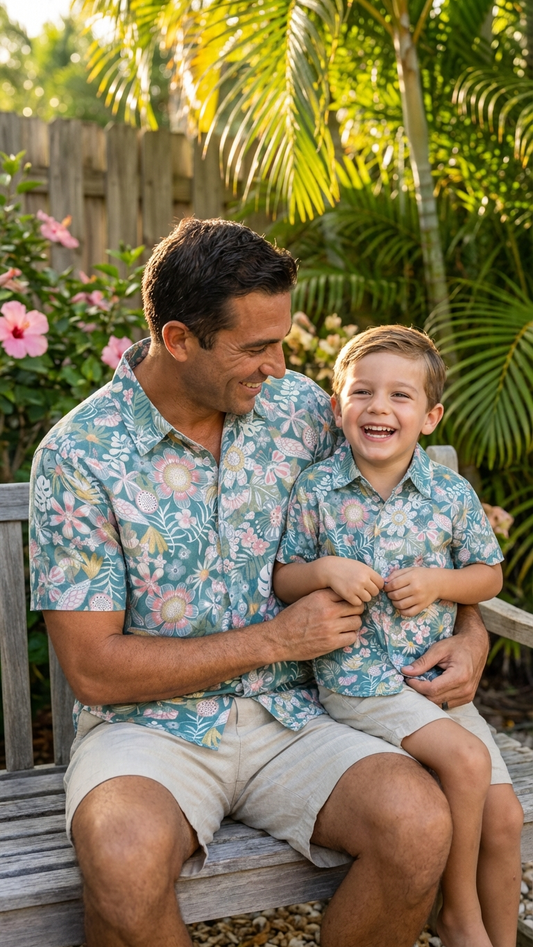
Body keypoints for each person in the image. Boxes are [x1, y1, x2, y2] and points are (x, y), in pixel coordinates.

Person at [30, 219, 494, 947]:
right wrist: (275, 639)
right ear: (178, 339)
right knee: (121, 860)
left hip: (304, 713)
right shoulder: (80, 455)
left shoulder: (299, 409)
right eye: (255, 348)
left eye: (281, 341)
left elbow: (417, 517)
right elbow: (94, 668)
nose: (277, 366)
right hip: (148, 729)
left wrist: (471, 631)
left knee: (417, 824)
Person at [273, 325, 523, 947]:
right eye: (362, 392)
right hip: (362, 685)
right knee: (467, 761)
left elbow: (488, 575)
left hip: (437, 687)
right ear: (338, 407)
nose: (378, 407)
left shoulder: (450, 495)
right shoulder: (317, 490)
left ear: (431, 417)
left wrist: (441, 583)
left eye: (400, 396)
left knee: (505, 818)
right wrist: (324, 572)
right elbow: (284, 578)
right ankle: (458, 915)